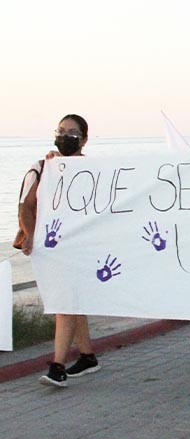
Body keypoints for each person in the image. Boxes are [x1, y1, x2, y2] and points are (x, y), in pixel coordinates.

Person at [18, 115, 101, 388]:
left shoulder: (97, 169)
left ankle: (57, 367)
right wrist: (30, 235)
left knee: (67, 302)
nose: (65, 136)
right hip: (52, 249)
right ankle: (86, 356)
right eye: (61, 131)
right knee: (70, 301)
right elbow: (25, 207)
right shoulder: (42, 169)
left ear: (84, 138)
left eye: (72, 132)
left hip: (82, 248)